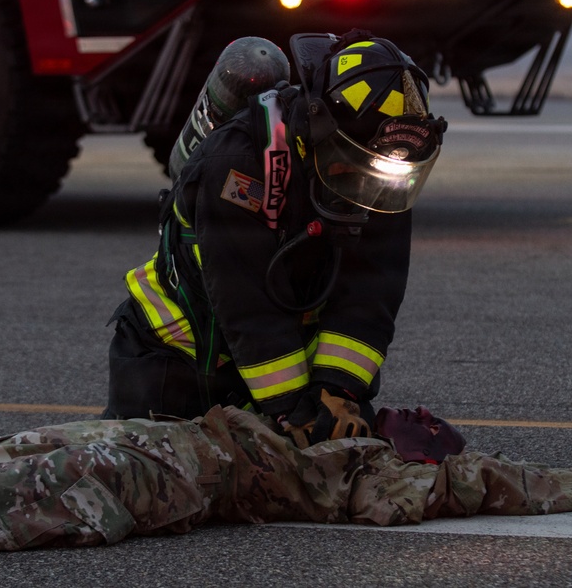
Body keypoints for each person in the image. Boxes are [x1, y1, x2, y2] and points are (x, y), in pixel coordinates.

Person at [102, 30, 447, 451]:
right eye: (356, 167)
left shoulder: (383, 167)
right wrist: (293, 411)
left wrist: (337, 390)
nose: (367, 186)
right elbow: (245, 301)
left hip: (276, 365)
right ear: (320, 125)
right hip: (177, 363)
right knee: (154, 479)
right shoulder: (238, 165)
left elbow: (372, 291)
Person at [0, 404, 572, 560]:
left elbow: (461, 485)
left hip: (163, 475)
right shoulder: (329, 430)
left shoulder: (367, 472)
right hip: (152, 443)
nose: (411, 410)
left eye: (421, 424)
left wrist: (563, 481)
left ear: (419, 459)